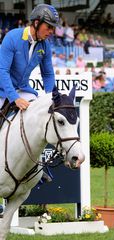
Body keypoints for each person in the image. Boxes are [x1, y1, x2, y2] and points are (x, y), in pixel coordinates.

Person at [0, 4, 60, 182]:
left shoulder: (45, 45)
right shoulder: (13, 37)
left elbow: (48, 73)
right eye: (48, 27)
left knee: (42, 119)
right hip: (2, 89)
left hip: (23, 89)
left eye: (53, 28)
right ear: (36, 23)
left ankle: (37, 168)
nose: (51, 31)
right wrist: (14, 98)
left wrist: (53, 98)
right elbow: (2, 71)